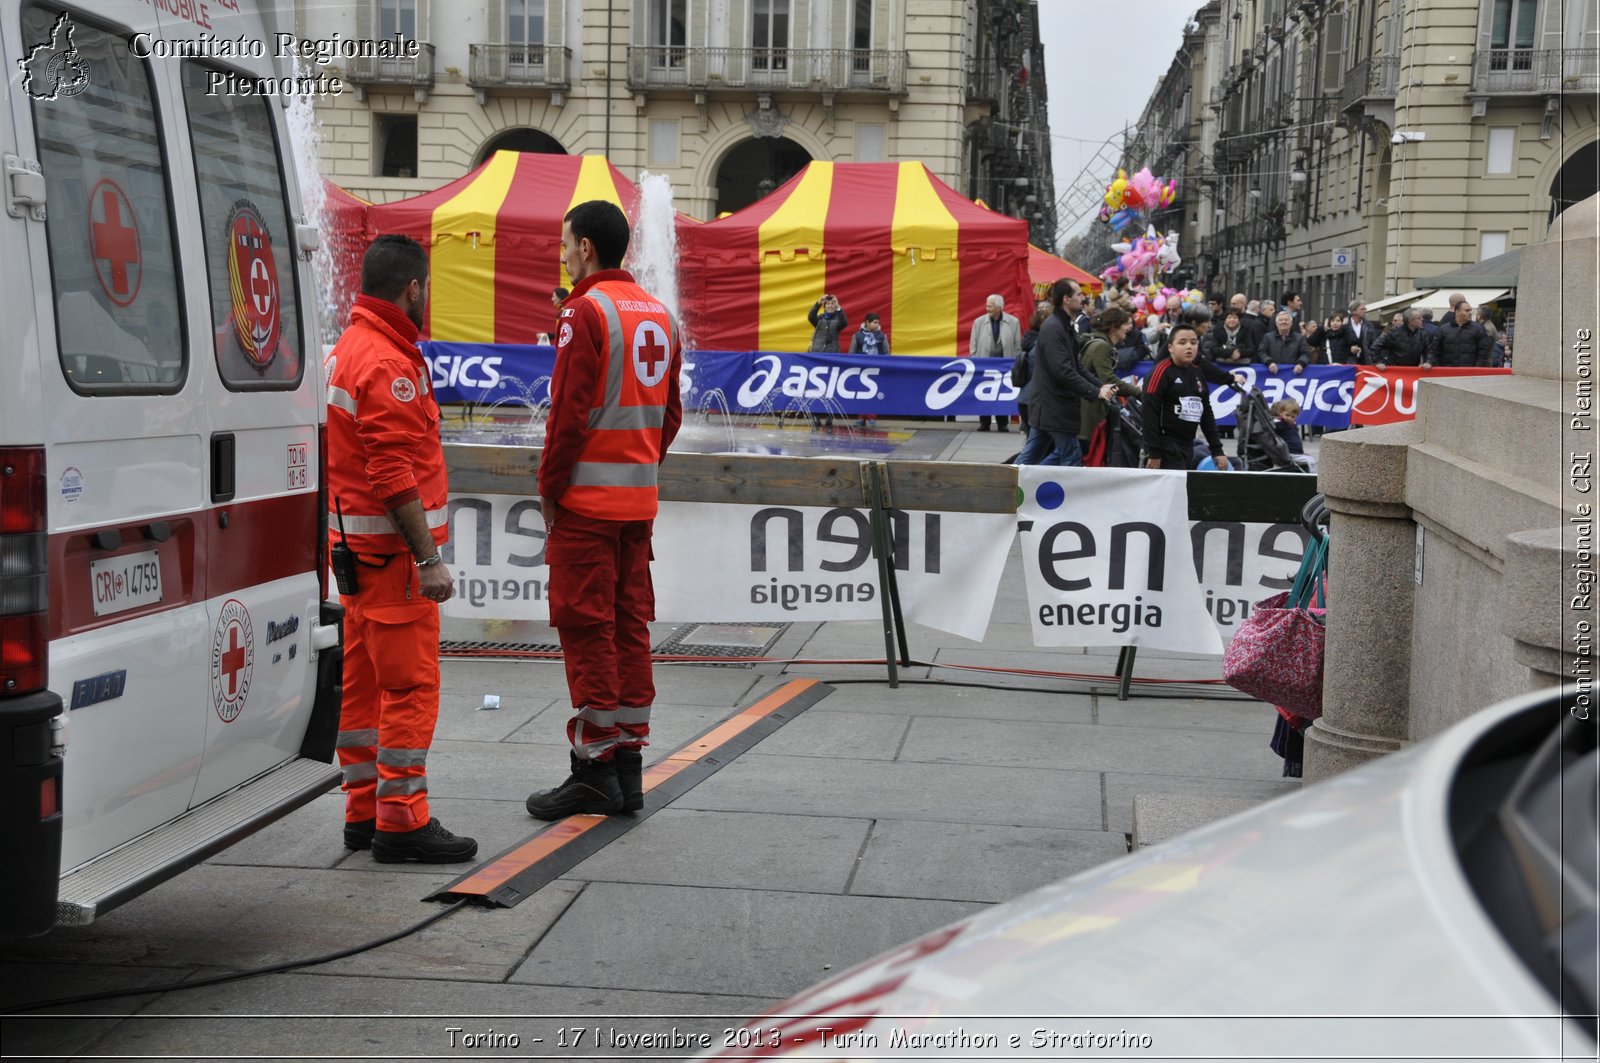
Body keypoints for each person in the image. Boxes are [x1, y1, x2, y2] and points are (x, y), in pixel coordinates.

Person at [526, 200, 684, 821]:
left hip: (586, 504)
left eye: (566, 244)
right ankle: (627, 768)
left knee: (587, 630)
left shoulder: (583, 312)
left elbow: (566, 414)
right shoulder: (659, 314)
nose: (563, 255)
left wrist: (550, 486)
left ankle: (593, 769)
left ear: (586, 248)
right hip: (636, 504)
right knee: (628, 628)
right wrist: (641, 461)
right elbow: (671, 415)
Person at [324, 234, 477, 864]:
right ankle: (403, 820)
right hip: (393, 566)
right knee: (409, 688)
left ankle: (363, 812)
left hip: (356, 560)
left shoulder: (347, 349)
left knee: (360, 689)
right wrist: (428, 559)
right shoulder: (388, 363)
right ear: (412, 289)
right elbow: (392, 474)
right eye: (427, 289)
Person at [1017, 279, 1116, 465]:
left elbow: (1076, 366)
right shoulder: (1054, 328)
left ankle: (1013, 485)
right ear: (1066, 299)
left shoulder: (1063, 326)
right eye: (1078, 294)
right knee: (1070, 457)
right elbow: (1064, 371)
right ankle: (1012, 486)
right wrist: (1095, 392)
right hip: (1054, 406)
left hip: (1051, 406)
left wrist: (1100, 386)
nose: (1083, 297)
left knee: (1033, 457)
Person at [1142, 323, 1229, 471]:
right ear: (1171, 348)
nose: (1189, 347)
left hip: (1188, 443)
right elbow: (1149, 413)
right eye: (1182, 343)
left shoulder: (1198, 373)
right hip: (1165, 444)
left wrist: (1217, 450)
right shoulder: (1161, 372)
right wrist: (1154, 452)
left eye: (1193, 343)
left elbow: (1206, 413)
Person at [1077, 306, 1143, 452]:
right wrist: (1137, 391)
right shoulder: (1101, 346)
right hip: (1089, 411)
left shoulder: (1101, 343)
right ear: (1114, 327)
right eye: (1125, 324)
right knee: (1079, 456)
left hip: (1088, 406)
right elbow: (1108, 379)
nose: (1129, 328)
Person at [969, 293, 1021, 432]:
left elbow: (1017, 346)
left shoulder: (1013, 322)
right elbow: (973, 345)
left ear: (999, 307)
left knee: (1002, 394)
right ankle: (984, 422)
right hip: (984, 365)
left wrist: (1014, 363)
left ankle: (1002, 423)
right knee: (984, 393)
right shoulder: (978, 322)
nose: (987, 308)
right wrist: (975, 360)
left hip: (1004, 367)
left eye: (990, 306)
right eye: (987, 305)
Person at [807, 294, 847, 428]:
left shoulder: (838, 320)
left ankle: (829, 416)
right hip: (817, 356)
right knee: (815, 386)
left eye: (832, 304)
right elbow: (810, 316)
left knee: (830, 387)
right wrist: (818, 302)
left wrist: (839, 306)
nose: (830, 306)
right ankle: (815, 416)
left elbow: (845, 322)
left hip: (832, 356)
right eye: (828, 304)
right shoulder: (818, 320)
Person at [848, 312, 888, 426]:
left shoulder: (882, 336)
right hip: (861, 370)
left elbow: (886, 353)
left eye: (878, 323)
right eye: (874, 323)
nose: (877, 325)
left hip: (876, 369)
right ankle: (861, 417)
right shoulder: (857, 336)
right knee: (861, 393)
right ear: (867, 323)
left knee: (874, 393)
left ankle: (872, 417)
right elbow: (852, 353)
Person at [1428, 300, 1493, 367]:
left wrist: (1477, 368)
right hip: (1447, 372)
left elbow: (1484, 352)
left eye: (1471, 310)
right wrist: (1430, 362)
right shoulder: (1443, 329)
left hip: (1470, 372)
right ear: (1457, 311)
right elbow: (1434, 350)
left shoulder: (1478, 329)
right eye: (1467, 311)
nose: (1470, 313)